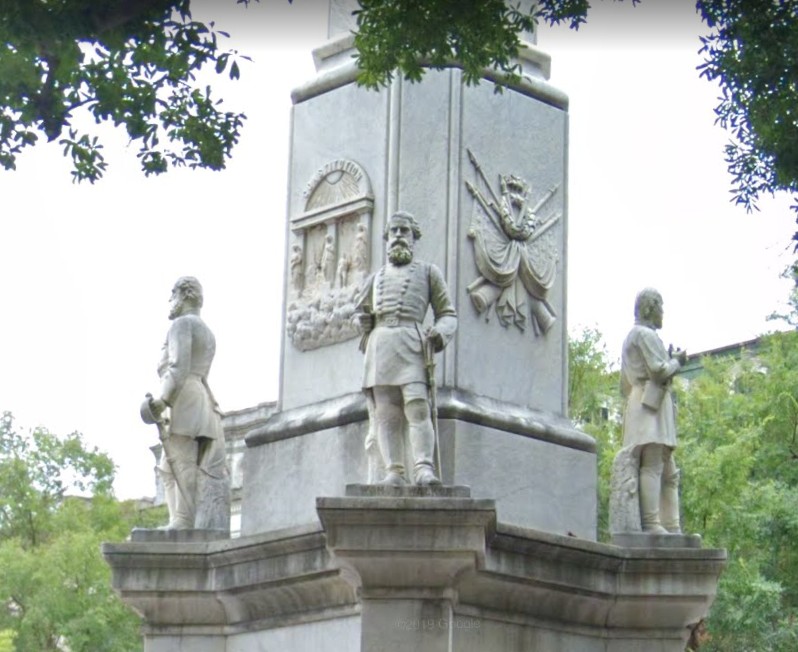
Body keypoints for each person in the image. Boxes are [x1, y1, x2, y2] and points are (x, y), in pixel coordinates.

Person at [355, 211, 457, 486]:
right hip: (380, 346)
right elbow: (358, 312)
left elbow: (448, 314)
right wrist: (362, 321)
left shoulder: (428, 272)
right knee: (386, 411)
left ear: (414, 238)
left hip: (412, 343)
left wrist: (440, 333)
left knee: (417, 406)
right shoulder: (375, 278)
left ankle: (424, 467)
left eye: (404, 231)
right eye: (394, 232)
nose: (398, 236)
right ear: (387, 239)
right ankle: (394, 471)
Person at [143, 276, 229, 530]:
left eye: (173, 295)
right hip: (197, 394)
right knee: (168, 467)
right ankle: (178, 518)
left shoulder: (182, 325)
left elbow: (179, 366)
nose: (170, 301)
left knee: (181, 460)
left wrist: (163, 400)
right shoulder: (208, 332)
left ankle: (182, 520)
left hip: (184, 396)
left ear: (185, 295)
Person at [620, 288, 687, 534]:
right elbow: (659, 371)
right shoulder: (643, 334)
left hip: (649, 402)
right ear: (650, 308)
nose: (663, 313)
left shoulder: (633, 336)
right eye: (660, 307)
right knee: (652, 463)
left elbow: (623, 384)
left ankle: (672, 524)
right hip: (649, 403)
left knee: (669, 469)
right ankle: (652, 523)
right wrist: (677, 362)